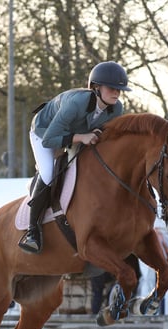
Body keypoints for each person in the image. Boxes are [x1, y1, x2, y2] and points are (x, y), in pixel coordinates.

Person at [18, 61, 131, 254]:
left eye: (119, 90)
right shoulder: (77, 103)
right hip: (44, 132)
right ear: (96, 87)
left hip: (74, 134)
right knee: (48, 173)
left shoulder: (116, 108)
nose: (116, 93)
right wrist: (82, 137)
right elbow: (49, 140)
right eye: (112, 88)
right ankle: (32, 232)